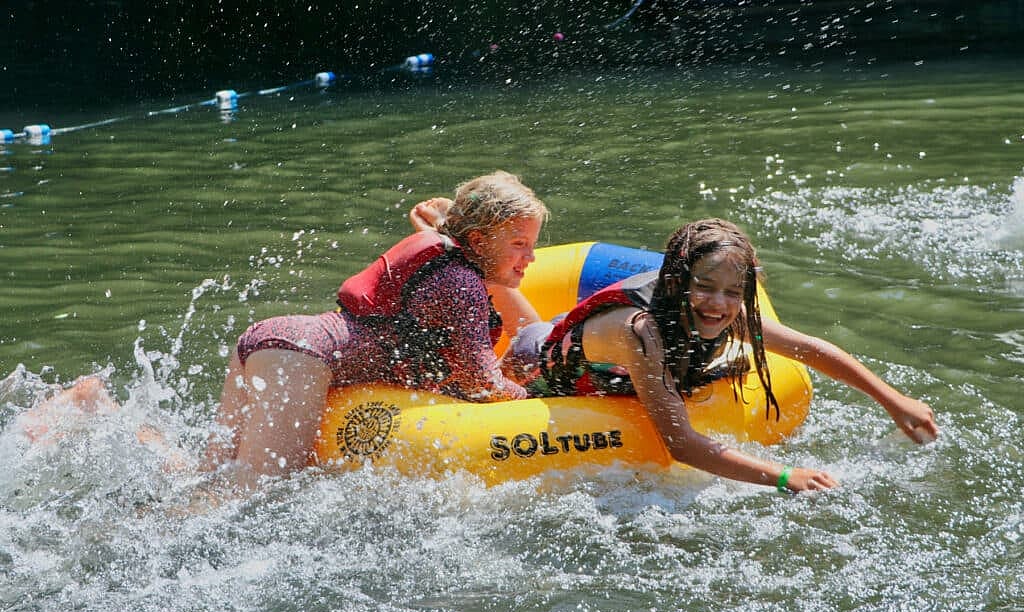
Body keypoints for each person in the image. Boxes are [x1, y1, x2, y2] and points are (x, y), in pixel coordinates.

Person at [508, 218, 939, 493]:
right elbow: (680, 445)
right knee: (522, 349)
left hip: (609, 364)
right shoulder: (641, 332)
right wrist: (785, 476)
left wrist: (893, 401)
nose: (719, 303)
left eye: (733, 292)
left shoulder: (722, 306)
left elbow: (806, 348)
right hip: (540, 364)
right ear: (677, 282)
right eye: (707, 287)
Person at [203, 171, 548, 483]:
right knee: (256, 495)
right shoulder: (460, 283)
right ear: (476, 240)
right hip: (299, 359)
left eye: (532, 245)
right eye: (518, 244)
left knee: (209, 482)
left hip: (279, 344)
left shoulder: (447, 264)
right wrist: (539, 398)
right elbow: (483, 384)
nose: (530, 257)